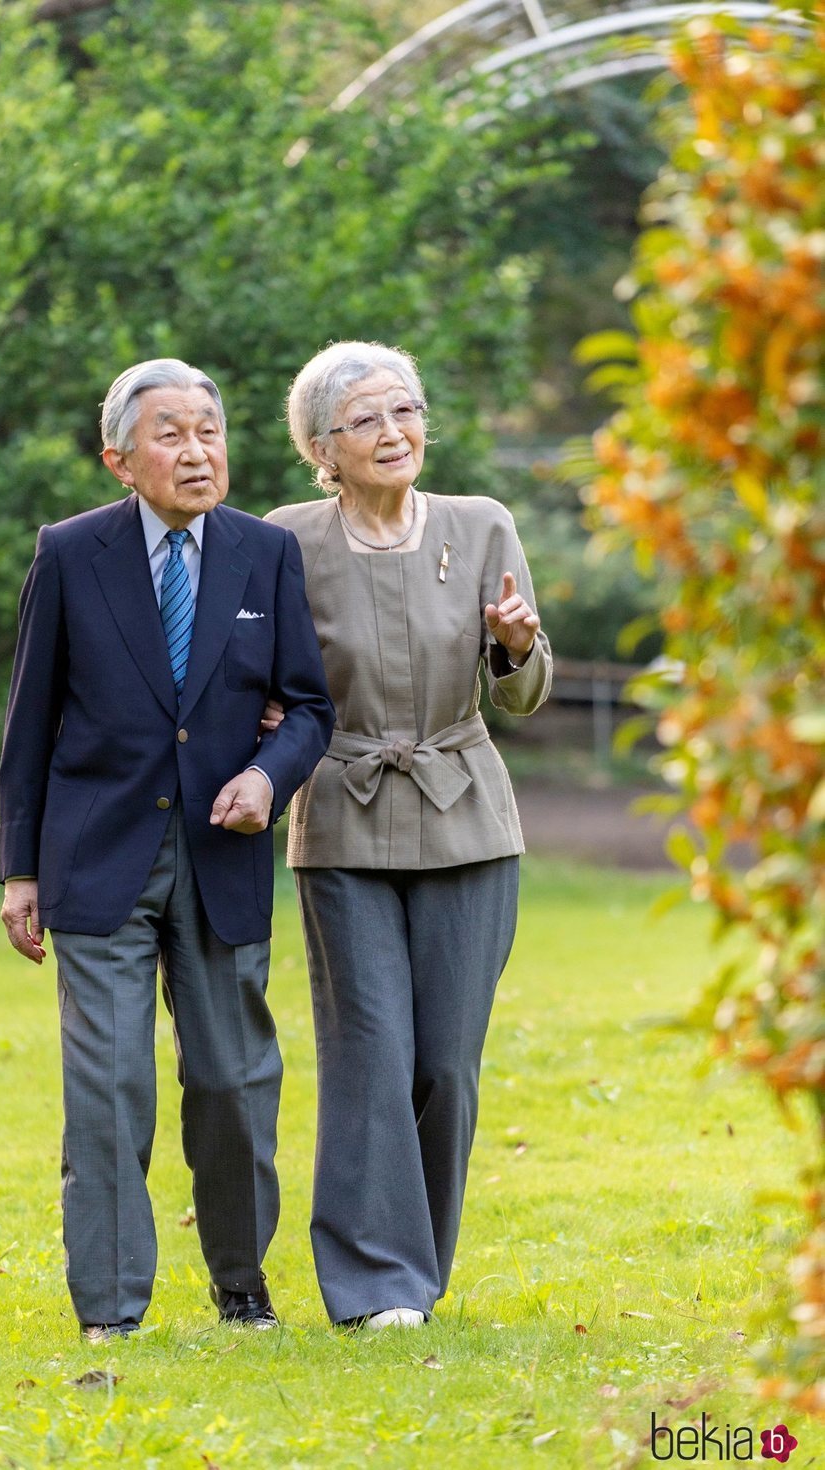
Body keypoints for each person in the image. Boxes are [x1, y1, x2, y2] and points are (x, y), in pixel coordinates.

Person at [0, 358, 334, 1340]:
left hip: (221, 855)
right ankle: (109, 1306)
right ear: (119, 459)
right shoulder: (69, 554)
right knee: (109, 1086)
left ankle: (239, 1279)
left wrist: (269, 777)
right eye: (171, 434)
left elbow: (308, 705)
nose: (197, 451)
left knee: (230, 1080)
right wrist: (20, 869)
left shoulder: (263, 555)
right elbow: (28, 724)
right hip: (96, 855)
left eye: (210, 431)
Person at [264, 341, 552, 1331]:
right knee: (368, 1050)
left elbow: (524, 687)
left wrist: (515, 647)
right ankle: (375, 1285)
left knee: (443, 1065)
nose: (394, 433)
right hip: (340, 813)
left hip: (466, 815)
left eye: (405, 412)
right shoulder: (285, 540)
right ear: (321, 447)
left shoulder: (481, 526)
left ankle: (416, 1265)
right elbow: (259, 675)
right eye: (366, 421)